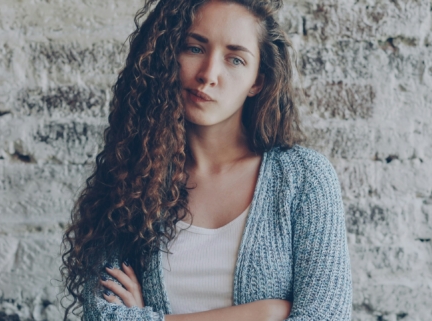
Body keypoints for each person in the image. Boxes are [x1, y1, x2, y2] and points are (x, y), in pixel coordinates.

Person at [60, 0, 351, 320]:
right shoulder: (130, 181)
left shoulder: (303, 178)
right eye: (194, 48)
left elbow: (327, 316)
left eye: (235, 59)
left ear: (258, 81)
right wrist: (266, 314)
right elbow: (104, 315)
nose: (209, 74)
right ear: (167, 55)